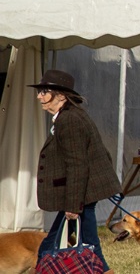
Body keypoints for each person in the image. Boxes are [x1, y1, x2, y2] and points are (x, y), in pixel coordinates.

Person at [31, 70, 120, 272]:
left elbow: (77, 164)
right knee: (88, 248)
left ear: (61, 95)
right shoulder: (69, 116)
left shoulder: (69, 120)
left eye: (44, 91)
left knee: (78, 249)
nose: (39, 96)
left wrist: (73, 205)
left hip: (80, 196)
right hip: (81, 195)